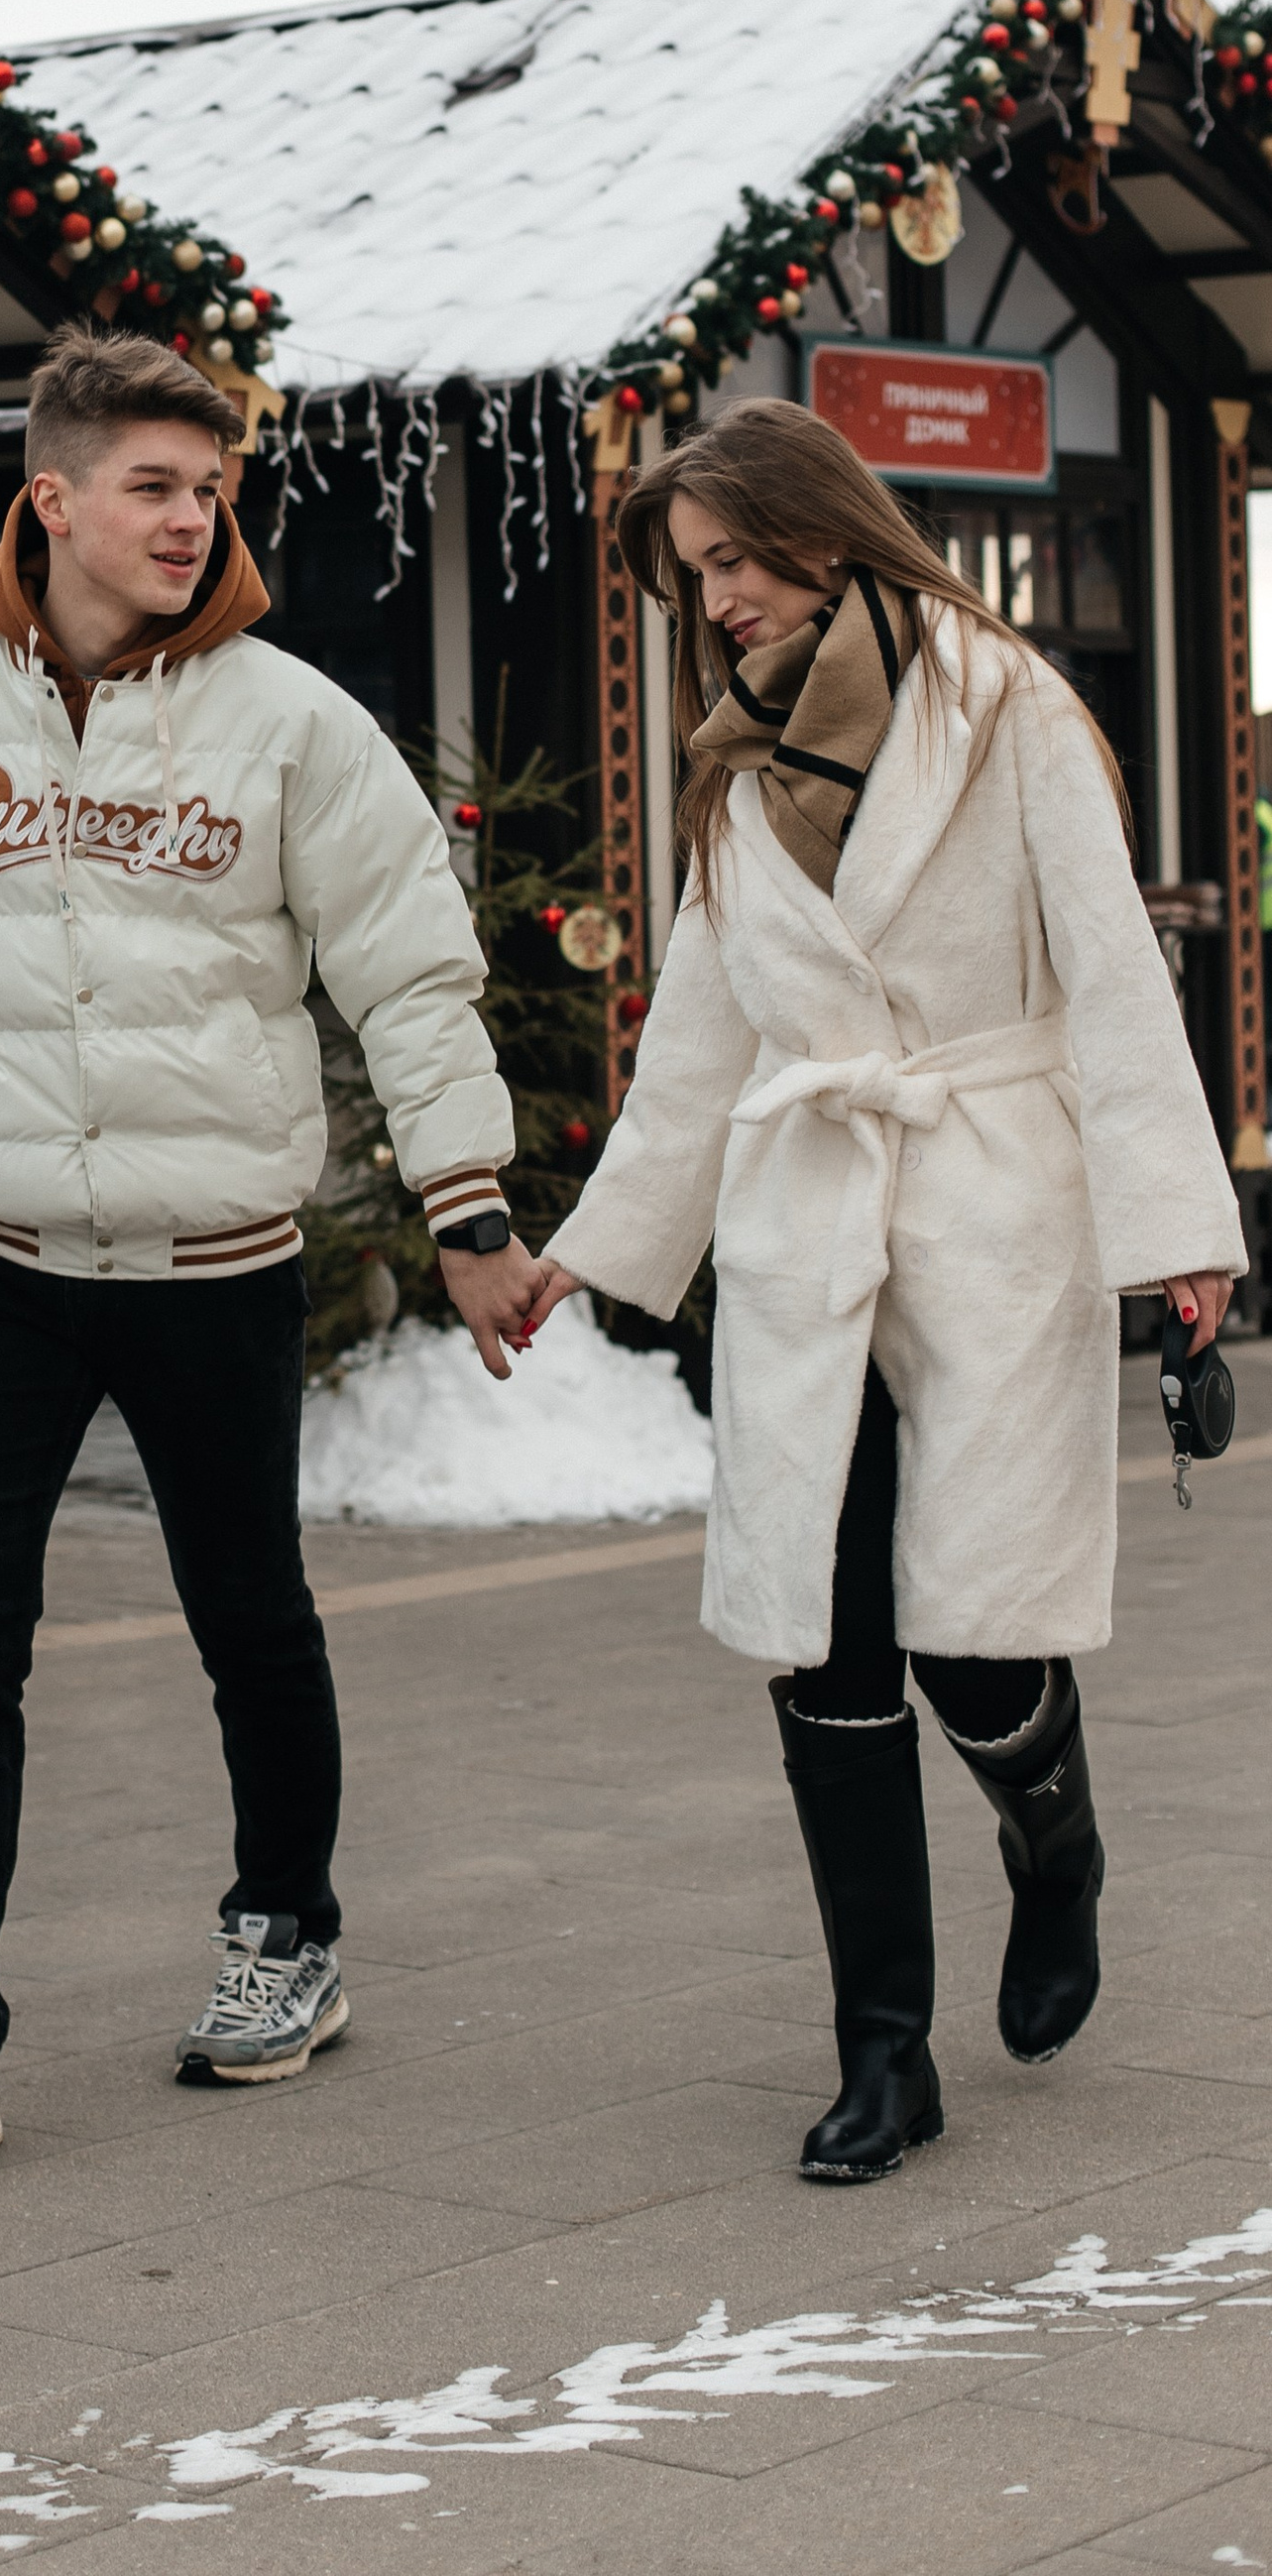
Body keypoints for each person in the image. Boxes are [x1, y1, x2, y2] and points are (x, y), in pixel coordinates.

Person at [0, 323, 542, 2160]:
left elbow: (412, 979)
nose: (193, 520)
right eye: (154, 488)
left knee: (249, 1616)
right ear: (53, 499)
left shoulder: (293, 722)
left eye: (211, 490)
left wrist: (471, 1211)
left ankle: (288, 1934)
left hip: (213, 1264)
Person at [530, 397, 1239, 2183]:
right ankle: (884, 2054)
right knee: (824, 1645)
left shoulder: (1008, 708)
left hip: (992, 1205)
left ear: (821, 528)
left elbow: (1115, 977)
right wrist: (598, 1252)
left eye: (730, 562)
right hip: (806, 1224)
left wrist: (1179, 1231)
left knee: (978, 1648)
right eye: (691, 583)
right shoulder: (728, 766)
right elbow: (700, 1035)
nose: (717, 604)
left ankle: (1056, 1845)